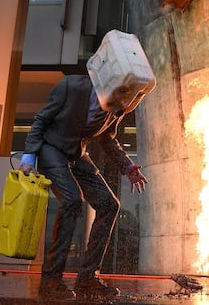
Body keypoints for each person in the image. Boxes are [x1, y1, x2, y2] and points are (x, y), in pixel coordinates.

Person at [20, 63, 152, 300]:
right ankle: (50, 280)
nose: (132, 102)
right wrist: (29, 157)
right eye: (133, 96)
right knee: (72, 201)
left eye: (137, 97)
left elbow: (107, 139)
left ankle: (87, 279)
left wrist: (127, 166)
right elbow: (41, 120)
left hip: (77, 154)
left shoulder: (117, 107)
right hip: (52, 149)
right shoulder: (70, 87)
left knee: (109, 204)